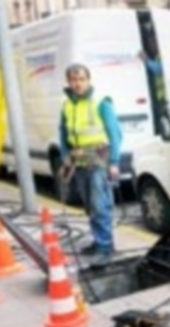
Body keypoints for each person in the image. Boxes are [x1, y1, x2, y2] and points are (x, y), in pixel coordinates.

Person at [58, 63, 123, 266]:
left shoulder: (101, 102)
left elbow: (115, 134)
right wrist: (66, 157)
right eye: (73, 80)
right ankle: (99, 241)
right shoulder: (67, 105)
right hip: (79, 160)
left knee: (99, 204)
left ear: (88, 80)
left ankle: (105, 247)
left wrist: (114, 162)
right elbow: (63, 134)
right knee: (89, 205)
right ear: (68, 82)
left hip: (99, 159)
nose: (77, 84)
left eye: (81, 79)